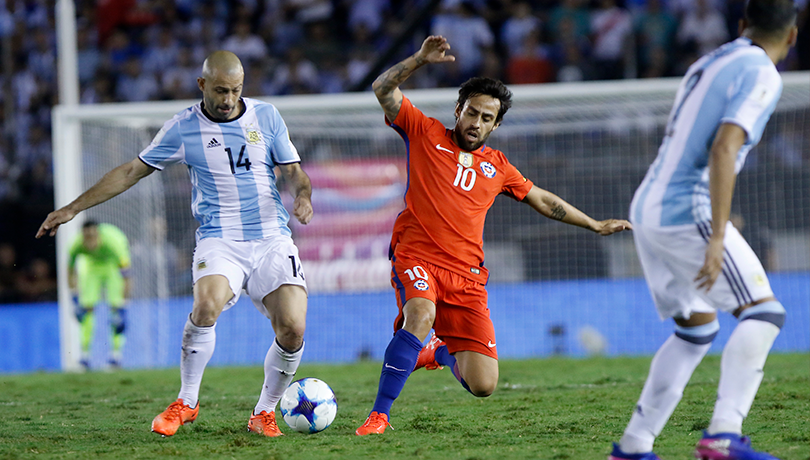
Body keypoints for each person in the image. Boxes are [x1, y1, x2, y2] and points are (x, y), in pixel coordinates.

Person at [355, 35, 632, 436]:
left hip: (466, 276)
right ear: (458, 110)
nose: (477, 123)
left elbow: (540, 198)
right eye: (472, 113)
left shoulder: (498, 166)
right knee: (420, 314)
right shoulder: (423, 131)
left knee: (483, 385)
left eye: (487, 118)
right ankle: (379, 416)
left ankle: (437, 352)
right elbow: (382, 88)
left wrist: (593, 224)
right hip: (417, 256)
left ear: (497, 124)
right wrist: (419, 59)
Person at [36, 50, 314, 438]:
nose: (228, 99)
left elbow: (295, 172)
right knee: (206, 305)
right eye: (219, 90)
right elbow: (132, 171)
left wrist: (303, 196)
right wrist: (72, 208)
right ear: (202, 85)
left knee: (293, 329)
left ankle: (264, 412)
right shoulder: (183, 128)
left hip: (271, 237)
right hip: (220, 239)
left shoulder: (266, 116)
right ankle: (186, 401)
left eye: (235, 90)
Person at [610, 1, 798, 459]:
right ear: (792, 36)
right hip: (684, 206)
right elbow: (724, 146)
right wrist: (716, 234)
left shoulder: (711, 60)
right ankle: (724, 436)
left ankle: (633, 447)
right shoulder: (762, 72)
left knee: (695, 329)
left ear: (741, 25)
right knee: (764, 313)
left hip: (649, 203)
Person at [68, 220, 131, 369]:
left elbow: (127, 275)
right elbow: (70, 271)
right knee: (86, 309)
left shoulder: (114, 243)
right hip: (91, 266)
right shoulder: (76, 245)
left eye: (93, 236)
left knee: (116, 311)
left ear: (98, 234)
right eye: (86, 237)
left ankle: (115, 357)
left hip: (111, 266)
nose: (90, 241)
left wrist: (124, 304)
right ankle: (84, 357)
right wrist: (74, 298)